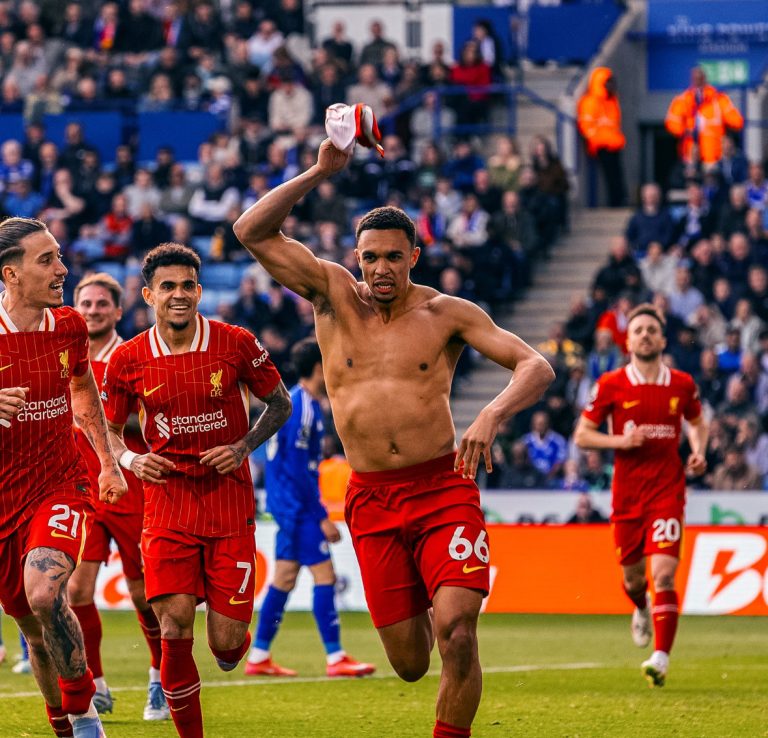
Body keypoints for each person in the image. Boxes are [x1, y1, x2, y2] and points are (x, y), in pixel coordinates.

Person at [233, 139, 554, 738]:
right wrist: (320, 171)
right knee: (409, 663)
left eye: (394, 258)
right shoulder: (330, 296)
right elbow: (251, 230)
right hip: (372, 499)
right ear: (356, 256)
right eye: (371, 257)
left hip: (442, 490)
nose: (380, 269)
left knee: (457, 630)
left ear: (415, 257)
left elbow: (536, 365)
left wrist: (491, 415)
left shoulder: (448, 314)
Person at [102, 243, 292, 738]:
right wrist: (129, 458)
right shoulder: (128, 358)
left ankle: (228, 621)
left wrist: (244, 445)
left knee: (228, 651)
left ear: (200, 290)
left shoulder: (235, 342)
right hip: (166, 503)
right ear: (148, 295)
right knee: (173, 627)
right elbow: (105, 427)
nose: (179, 295)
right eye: (168, 287)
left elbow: (280, 404)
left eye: (188, 285)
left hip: (228, 502)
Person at [0, 216, 128, 738]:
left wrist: (107, 460)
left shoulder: (70, 326)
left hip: (60, 482)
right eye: (47, 260)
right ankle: (69, 724)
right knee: (33, 626)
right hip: (4, 497)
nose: (62, 269)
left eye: (58, 255)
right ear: (10, 274)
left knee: (46, 593)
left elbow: (81, 389)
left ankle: (84, 709)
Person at [574, 303, 708, 688]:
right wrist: (621, 440)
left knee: (663, 575)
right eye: (639, 330)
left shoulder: (682, 383)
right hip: (627, 496)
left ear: (663, 339)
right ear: (627, 340)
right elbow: (583, 434)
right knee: (634, 581)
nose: (645, 334)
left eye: (652, 329)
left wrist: (698, 451)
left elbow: (698, 424)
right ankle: (640, 607)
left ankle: (661, 658)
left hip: (667, 490)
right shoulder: (612, 384)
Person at [67, 273, 169, 721]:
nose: (92, 310)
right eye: (85, 304)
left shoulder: (130, 358)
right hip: (81, 489)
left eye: (100, 304)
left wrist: (103, 422)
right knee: (75, 589)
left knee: (144, 594)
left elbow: (149, 423)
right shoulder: (65, 355)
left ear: (117, 310)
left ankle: (160, 679)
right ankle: (97, 685)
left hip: (130, 488)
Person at [244, 339, 376, 678]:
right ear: (319, 367)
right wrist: (320, 517)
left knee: (284, 579)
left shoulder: (298, 403)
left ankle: (258, 655)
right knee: (325, 576)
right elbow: (299, 470)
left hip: (287, 506)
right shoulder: (302, 406)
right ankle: (335, 657)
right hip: (298, 508)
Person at [665, 67, 743, 167]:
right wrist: (685, 130)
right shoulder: (682, 100)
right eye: (695, 78)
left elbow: (737, 121)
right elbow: (671, 123)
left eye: (700, 78)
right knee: (690, 177)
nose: (698, 80)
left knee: (712, 178)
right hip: (691, 154)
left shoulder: (718, 99)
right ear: (692, 80)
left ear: (705, 79)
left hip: (713, 155)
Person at [577, 67, 626, 207]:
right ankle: (614, 202)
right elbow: (586, 126)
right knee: (610, 176)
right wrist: (596, 140)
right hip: (601, 146)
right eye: (608, 83)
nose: (611, 86)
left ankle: (619, 200)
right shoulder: (590, 101)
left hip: (614, 144)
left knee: (617, 175)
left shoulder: (612, 102)